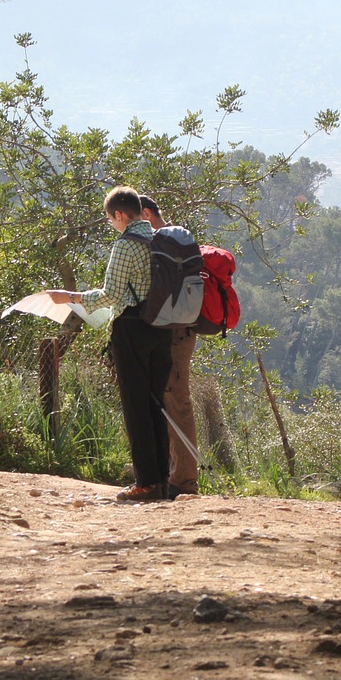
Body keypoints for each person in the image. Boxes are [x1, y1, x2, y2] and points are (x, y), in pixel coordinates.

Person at [47, 186, 173, 503]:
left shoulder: (126, 244)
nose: (113, 225)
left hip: (131, 328)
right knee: (156, 403)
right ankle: (163, 480)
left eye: (110, 219)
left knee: (135, 406)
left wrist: (70, 298)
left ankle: (146, 483)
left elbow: (111, 296)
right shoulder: (162, 238)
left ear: (119, 214)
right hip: (164, 328)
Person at [139, 194, 201, 498]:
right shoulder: (180, 242)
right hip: (183, 332)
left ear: (147, 214)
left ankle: (185, 482)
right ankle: (171, 476)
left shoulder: (164, 244)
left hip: (173, 336)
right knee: (169, 404)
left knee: (177, 404)